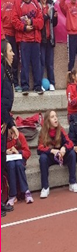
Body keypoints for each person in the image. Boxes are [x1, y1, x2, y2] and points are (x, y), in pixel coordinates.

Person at [38, 110, 77, 199]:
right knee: (42, 158)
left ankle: (72, 183)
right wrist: (51, 151)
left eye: (56, 116)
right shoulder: (43, 132)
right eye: (52, 117)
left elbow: (70, 142)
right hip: (51, 157)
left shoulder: (60, 129)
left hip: (61, 156)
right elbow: (40, 148)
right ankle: (45, 187)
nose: (55, 118)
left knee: (72, 153)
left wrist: (64, 148)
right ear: (47, 120)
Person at [2, 39, 19, 216]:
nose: (13, 54)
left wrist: (10, 123)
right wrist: (7, 121)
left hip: (4, 122)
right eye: (10, 51)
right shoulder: (1, 72)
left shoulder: (7, 72)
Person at [37, 0, 58, 91]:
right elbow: (39, 22)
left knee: (50, 63)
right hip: (41, 39)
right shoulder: (37, 7)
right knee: (41, 62)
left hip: (50, 39)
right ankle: (40, 84)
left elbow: (54, 24)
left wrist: (55, 17)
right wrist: (46, 15)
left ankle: (52, 83)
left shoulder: (51, 6)